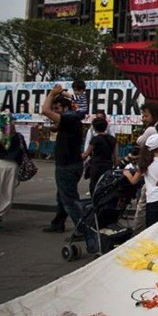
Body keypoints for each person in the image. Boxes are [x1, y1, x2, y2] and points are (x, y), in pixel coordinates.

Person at [40, 84, 84, 233]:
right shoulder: (73, 119)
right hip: (72, 165)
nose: (54, 112)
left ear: (65, 109)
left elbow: (45, 110)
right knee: (62, 197)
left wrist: (52, 94)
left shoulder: (69, 119)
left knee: (69, 200)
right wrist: (64, 94)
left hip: (67, 167)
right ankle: (58, 223)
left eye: (57, 108)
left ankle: (83, 228)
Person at [122, 133, 158, 229]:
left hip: (152, 200)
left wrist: (127, 174)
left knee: (153, 229)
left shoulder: (145, 163)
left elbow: (134, 181)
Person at [133, 101, 158, 232]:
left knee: (142, 207)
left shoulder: (152, 130)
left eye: (145, 115)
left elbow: (140, 141)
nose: (143, 119)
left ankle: (137, 233)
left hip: (153, 191)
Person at [81, 117, 117, 197]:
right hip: (108, 165)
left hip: (96, 166)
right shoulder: (112, 139)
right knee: (105, 186)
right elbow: (115, 156)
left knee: (94, 186)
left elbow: (86, 154)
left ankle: (94, 204)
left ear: (94, 128)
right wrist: (115, 166)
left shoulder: (95, 139)